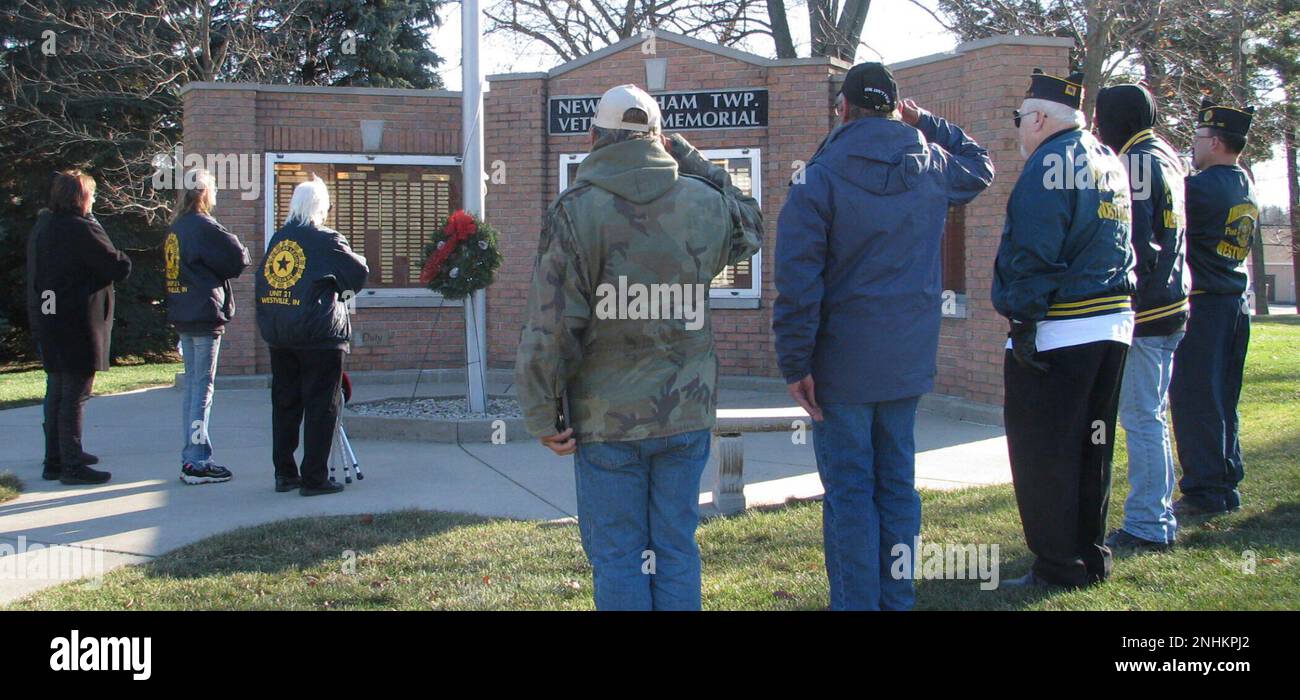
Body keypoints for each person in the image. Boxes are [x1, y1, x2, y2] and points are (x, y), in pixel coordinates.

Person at [515, 84, 762, 611]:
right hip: (686, 413)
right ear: (657, 138)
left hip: (606, 421)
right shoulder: (702, 201)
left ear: (593, 137)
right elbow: (752, 219)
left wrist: (541, 411)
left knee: (619, 557)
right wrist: (691, 156)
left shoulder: (575, 210)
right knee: (675, 549)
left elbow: (550, 324)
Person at [773, 62, 994, 610]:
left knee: (851, 493)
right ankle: (896, 600)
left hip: (841, 367)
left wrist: (794, 363)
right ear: (896, 108)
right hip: (906, 361)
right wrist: (929, 123)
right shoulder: (931, 163)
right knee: (896, 487)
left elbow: (799, 280)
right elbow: (980, 166)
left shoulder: (819, 176)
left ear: (842, 108)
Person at [994, 70, 1136, 589]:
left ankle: (1057, 565)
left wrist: (1025, 322)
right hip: (1112, 325)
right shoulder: (1108, 161)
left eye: (1018, 120)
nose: (1018, 131)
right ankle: (1089, 554)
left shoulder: (1047, 164)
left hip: (1061, 329)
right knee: (1091, 448)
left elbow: (1034, 250)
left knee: (1043, 452)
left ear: (1037, 118)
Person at [1093, 84, 1189, 552]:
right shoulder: (1166, 154)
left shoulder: (1136, 163)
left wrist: (1119, 292)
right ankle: (1158, 512)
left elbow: (1140, 246)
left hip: (1151, 310)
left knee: (1142, 416)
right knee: (1153, 414)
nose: (1097, 127)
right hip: (1173, 303)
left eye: (1101, 117)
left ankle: (1150, 523)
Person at [1168, 99, 1259, 517]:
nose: (1194, 146)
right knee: (1224, 397)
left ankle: (1204, 489)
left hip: (1204, 306)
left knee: (1195, 398)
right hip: (1235, 304)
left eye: (1199, 138)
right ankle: (1226, 480)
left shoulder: (1200, 187)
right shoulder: (1244, 181)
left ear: (1217, 142)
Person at [255, 175, 368, 497]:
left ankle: (284, 474)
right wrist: (340, 288)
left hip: (280, 333)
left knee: (285, 404)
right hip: (319, 335)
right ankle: (314, 478)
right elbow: (358, 274)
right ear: (322, 206)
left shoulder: (280, 239)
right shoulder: (326, 239)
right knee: (322, 405)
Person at [26, 170, 132, 485]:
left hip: (49, 317)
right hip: (76, 321)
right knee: (75, 392)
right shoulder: (81, 228)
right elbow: (116, 266)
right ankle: (71, 465)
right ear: (81, 196)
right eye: (92, 194)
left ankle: (56, 458)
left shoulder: (44, 226)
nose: (95, 200)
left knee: (57, 388)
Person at [166, 169, 250, 485]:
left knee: (193, 388)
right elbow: (238, 257)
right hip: (203, 314)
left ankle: (191, 455)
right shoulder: (204, 227)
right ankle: (197, 461)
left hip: (183, 312)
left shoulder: (177, 228)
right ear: (205, 193)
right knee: (202, 389)